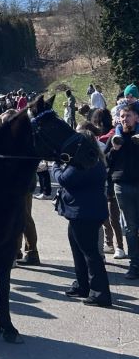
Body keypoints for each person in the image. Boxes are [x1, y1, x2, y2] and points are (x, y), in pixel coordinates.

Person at [55, 131, 112, 307]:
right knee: (79, 251)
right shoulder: (95, 159)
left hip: (83, 214)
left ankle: (100, 293)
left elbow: (63, 179)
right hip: (86, 213)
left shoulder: (83, 162)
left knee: (90, 254)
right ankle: (83, 285)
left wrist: (57, 166)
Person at [105, 104, 139, 279]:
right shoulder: (115, 137)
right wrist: (114, 149)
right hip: (122, 186)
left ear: (137, 118)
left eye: (128, 116)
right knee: (130, 227)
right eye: (122, 116)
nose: (125, 119)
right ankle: (134, 265)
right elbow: (105, 161)